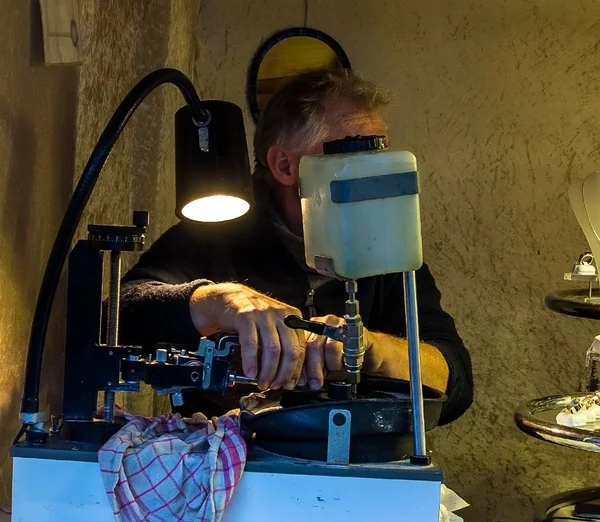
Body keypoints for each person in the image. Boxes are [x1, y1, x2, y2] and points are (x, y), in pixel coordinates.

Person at [119, 68, 473, 424]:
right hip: (233, 461)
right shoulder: (215, 230)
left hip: (352, 456)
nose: (373, 174)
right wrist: (217, 301)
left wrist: (373, 350)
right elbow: (118, 316)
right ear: (285, 165)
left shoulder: (389, 246)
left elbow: (455, 380)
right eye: (353, 152)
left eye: (379, 152)